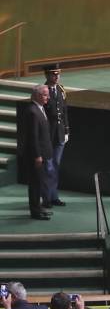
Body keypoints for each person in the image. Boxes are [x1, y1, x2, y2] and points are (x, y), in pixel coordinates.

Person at [21, 85, 53, 220]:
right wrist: (37, 155)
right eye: (46, 95)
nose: (48, 97)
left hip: (43, 154)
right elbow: (33, 137)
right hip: (36, 156)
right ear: (38, 95)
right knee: (35, 183)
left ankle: (39, 208)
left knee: (39, 182)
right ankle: (35, 211)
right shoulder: (32, 111)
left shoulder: (39, 109)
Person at [41, 63, 69, 209]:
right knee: (48, 167)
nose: (56, 76)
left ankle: (54, 196)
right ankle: (46, 198)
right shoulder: (43, 91)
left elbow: (64, 112)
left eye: (58, 74)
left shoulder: (61, 90)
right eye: (53, 74)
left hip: (59, 135)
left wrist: (66, 131)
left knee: (55, 166)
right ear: (46, 75)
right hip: (48, 136)